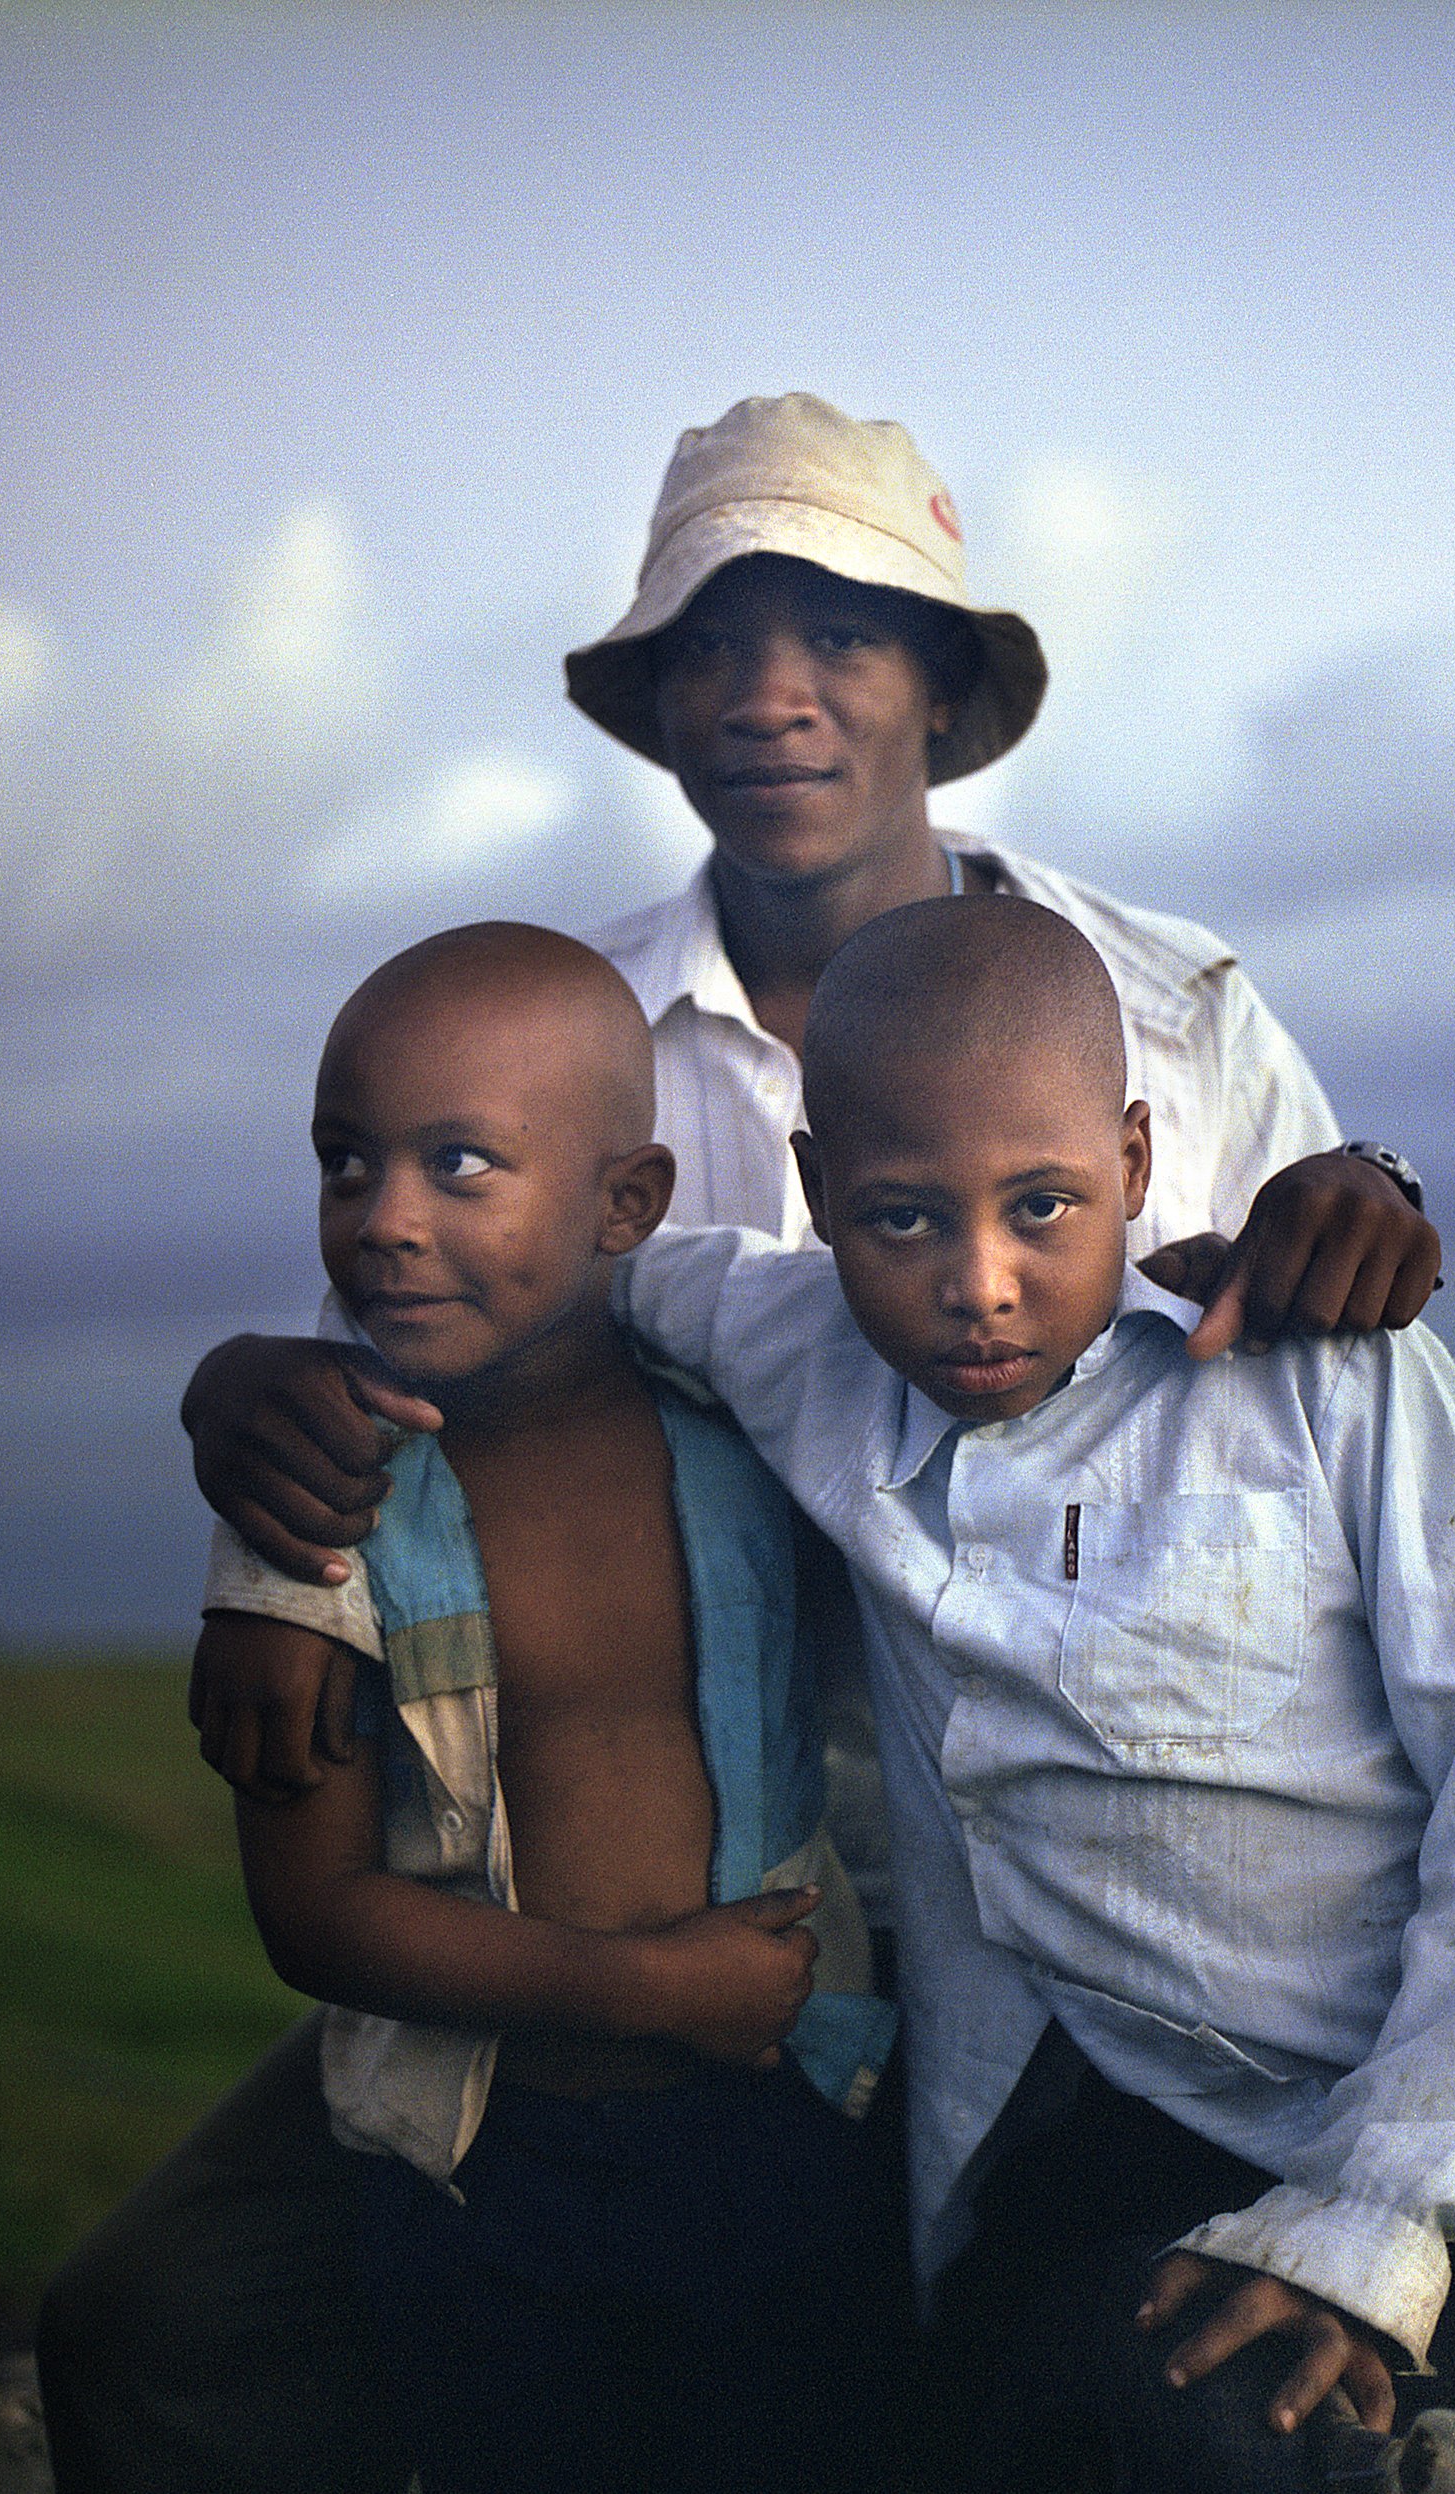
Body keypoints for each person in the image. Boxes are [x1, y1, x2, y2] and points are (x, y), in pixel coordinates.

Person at [40, 394, 1442, 2494]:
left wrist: (1362, 1208)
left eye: (843, 632)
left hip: (1073, 1880)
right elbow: (389, 1371)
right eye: (707, 641)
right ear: (657, 701)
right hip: (626, 1873)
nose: (766, 692)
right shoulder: (559, 1026)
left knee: (1011, 2388)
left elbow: (1310, 1387)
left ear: (944, 688)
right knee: (157, 2320)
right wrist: (239, 1390)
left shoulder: (1169, 1006)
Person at [613, 894, 1455, 2492]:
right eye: (900, 1218)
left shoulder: (1323, 1379)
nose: (980, 1283)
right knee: (966, 2409)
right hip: (1120, 2114)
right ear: (816, 1193)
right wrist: (279, 1375)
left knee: (1201, 2400)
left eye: (1044, 1204)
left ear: (1140, 1158)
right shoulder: (794, 1342)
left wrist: (1367, 2221)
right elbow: (554, 1267)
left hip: (1453, 2129)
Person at [204, 922, 897, 2494]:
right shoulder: (317, 1510)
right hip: (478, 2179)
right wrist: (651, 1989)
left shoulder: (750, 1435)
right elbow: (312, 1920)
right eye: (344, 1163)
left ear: (626, 1205)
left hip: (789, 2116)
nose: (380, 1221)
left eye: (460, 1165)